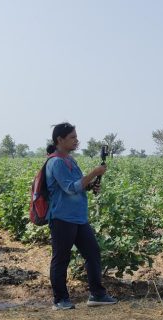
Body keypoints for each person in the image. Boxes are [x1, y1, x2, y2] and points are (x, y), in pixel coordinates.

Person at [45, 122, 118, 310]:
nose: (76, 141)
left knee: (92, 253)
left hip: (78, 218)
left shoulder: (70, 160)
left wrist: (91, 184)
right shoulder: (56, 162)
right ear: (60, 140)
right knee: (61, 258)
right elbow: (70, 188)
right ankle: (60, 300)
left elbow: (79, 184)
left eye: (76, 137)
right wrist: (94, 172)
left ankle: (97, 295)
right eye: (73, 137)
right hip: (62, 218)